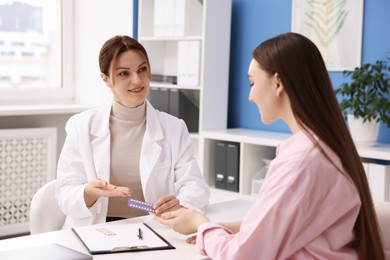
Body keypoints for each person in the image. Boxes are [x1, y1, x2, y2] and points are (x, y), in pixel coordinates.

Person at [155, 32, 385, 259]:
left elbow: (241, 256)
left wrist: (199, 222)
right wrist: (221, 228)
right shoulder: (327, 146)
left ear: (278, 83)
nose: (250, 96)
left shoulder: (301, 162)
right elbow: (294, 225)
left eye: (252, 82)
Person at [55, 35, 209, 229]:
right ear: (105, 79)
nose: (137, 80)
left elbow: (195, 185)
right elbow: (65, 194)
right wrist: (89, 192)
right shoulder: (81, 126)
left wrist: (182, 203)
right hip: (96, 228)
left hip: (151, 227)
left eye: (142, 70)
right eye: (123, 73)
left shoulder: (173, 128)